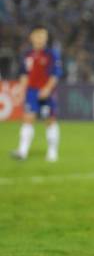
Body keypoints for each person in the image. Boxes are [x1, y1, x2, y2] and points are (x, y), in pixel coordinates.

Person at [12, 27, 62, 162]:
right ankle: (22, 151)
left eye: (42, 36)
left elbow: (55, 75)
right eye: (37, 35)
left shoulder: (52, 54)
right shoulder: (27, 55)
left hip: (47, 92)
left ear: (46, 38)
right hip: (31, 92)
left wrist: (46, 89)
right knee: (28, 119)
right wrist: (23, 89)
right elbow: (24, 74)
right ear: (31, 37)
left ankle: (52, 152)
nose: (40, 38)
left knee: (50, 120)